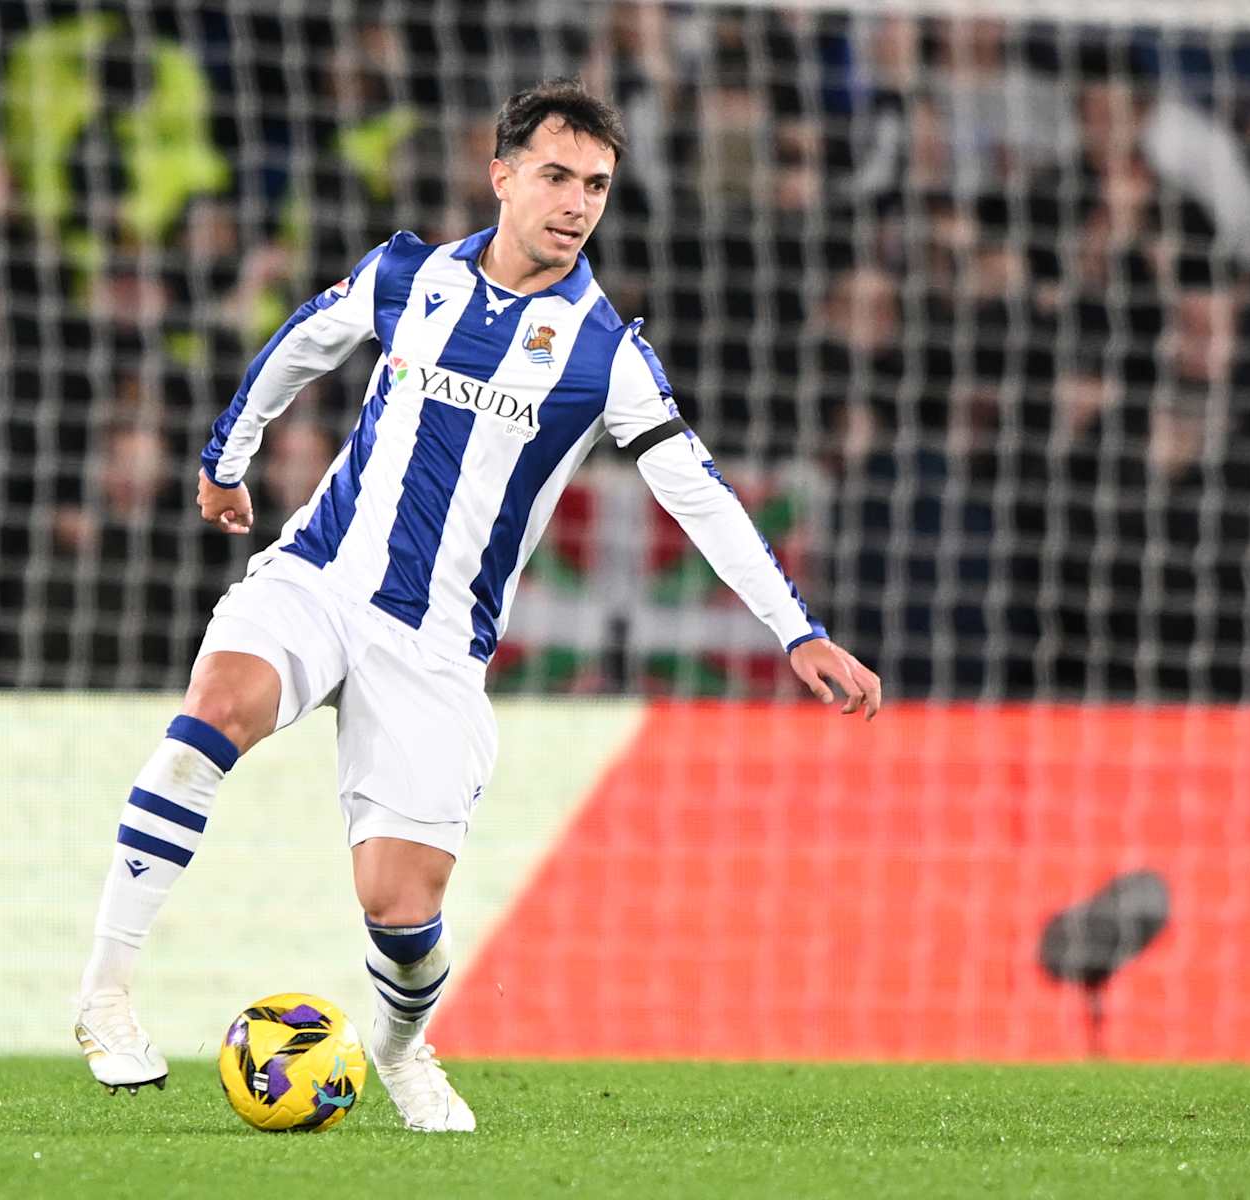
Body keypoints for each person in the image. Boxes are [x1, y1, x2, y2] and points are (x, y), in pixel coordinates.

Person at [70, 78, 883, 1132]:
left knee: (398, 912)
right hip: (321, 575)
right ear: (501, 175)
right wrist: (228, 457)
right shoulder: (408, 276)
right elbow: (303, 343)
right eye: (555, 176)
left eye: (596, 184)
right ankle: (104, 996)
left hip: (440, 649)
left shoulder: (605, 355)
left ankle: (402, 1047)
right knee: (206, 725)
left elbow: (702, 496)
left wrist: (797, 630)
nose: (576, 202)